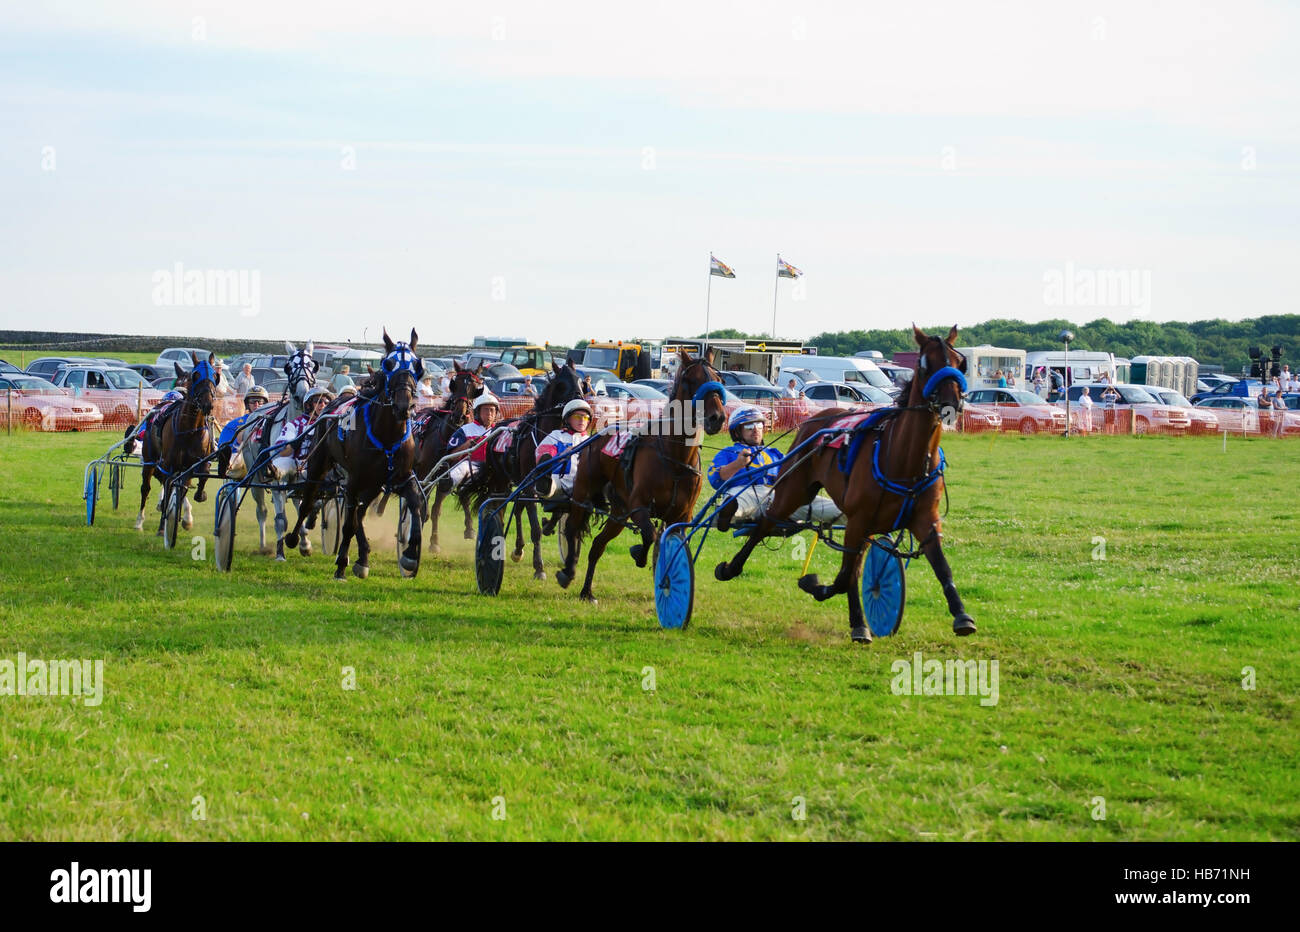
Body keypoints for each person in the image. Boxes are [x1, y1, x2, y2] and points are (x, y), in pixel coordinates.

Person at [710, 408, 840, 531]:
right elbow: (715, 479)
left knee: (835, 509)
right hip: (744, 491)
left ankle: (853, 514)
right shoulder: (727, 453)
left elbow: (795, 476)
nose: (756, 430)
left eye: (759, 425)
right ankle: (726, 514)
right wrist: (737, 464)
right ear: (737, 431)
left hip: (779, 497)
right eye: (749, 426)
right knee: (735, 502)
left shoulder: (775, 454)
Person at [535, 399, 593, 499]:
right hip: (558, 482)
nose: (582, 420)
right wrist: (559, 456)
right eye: (577, 416)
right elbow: (542, 453)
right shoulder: (557, 435)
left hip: (584, 484)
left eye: (586, 418)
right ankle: (544, 486)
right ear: (567, 419)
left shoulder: (591, 441)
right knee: (550, 484)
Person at [271, 386, 329, 479]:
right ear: (308, 405)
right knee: (283, 461)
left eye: (326, 402)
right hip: (299, 467)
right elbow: (282, 453)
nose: (323, 405)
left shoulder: (332, 424)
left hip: (324, 468)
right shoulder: (294, 425)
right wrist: (295, 444)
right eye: (318, 401)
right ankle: (273, 471)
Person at [445, 393, 500, 489]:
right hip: (470, 464)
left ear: (496, 413)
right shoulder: (465, 430)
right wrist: (466, 445)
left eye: (492, 410)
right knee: (463, 467)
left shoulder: (499, 431)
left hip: (492, 468)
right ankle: (448, 483)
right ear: (477, 412)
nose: (489, 413)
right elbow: (451, 456)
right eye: (485, 410)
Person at [218, 385, 270, 477]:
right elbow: (226, 443)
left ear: (265, 403)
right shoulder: (235, 424)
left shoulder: (272, 423)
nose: (257, 404)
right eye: (253, 402)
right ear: (247, 404)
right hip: (240, 459)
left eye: (260, 402)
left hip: (264, 457)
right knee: (239, 457)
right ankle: (227, 463)